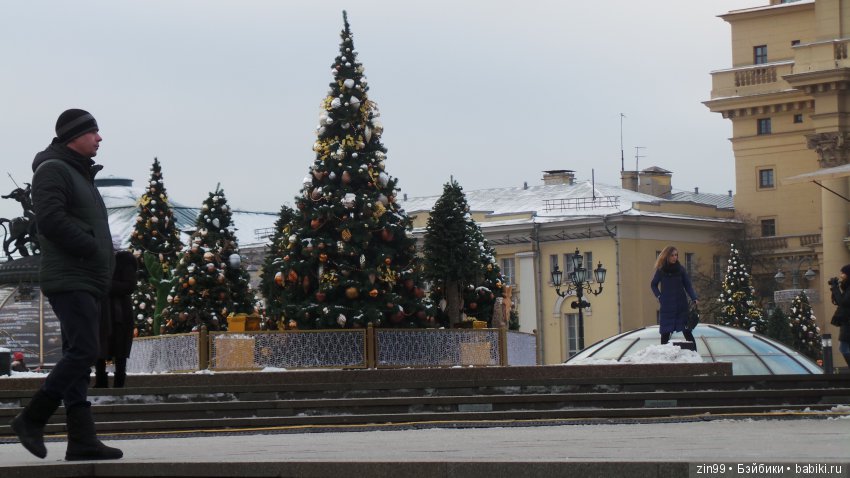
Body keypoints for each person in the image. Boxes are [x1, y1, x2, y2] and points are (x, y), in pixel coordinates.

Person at [9, 109, 122, 461]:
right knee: (84, 350)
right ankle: (32, 417)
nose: (100, 139)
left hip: (86, 277)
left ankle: (82, 439)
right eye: (94, 133)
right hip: (71, 276)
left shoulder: (77, 173)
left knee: (80, 351)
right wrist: (91, 247)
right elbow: (51, 220)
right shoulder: (54, 170)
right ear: (74, 136)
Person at [94, 248, 138, 388]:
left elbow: (129, 286)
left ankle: (119, 382)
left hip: (119, 311)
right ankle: (101, 380)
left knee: (120, 347)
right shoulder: (97, 258)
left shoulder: (124, 261)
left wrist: (105, 285)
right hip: (101, 309)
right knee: (100, 345)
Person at [650, 245, 699, 348]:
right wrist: (659, 296)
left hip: (681, 305)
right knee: (665, 333)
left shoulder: (680, 269)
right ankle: (663, 357)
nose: (675, 257)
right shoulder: (661, 270)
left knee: (687, 331)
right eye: (672, 255)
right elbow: (653, 284)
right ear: (667, 256)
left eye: (676, 255)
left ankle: (695, 354)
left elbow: (688, 285)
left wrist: (694, 298)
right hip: (667, 306)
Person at [828, 264, 850, 368]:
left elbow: (843, 302)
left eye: (843, 273)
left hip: (848, 323)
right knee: (844, 348)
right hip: (846, 322)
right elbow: (839, 301)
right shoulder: (847, 288)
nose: (841, 276)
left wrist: (835, 288)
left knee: (844, 348)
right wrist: (835, 288)